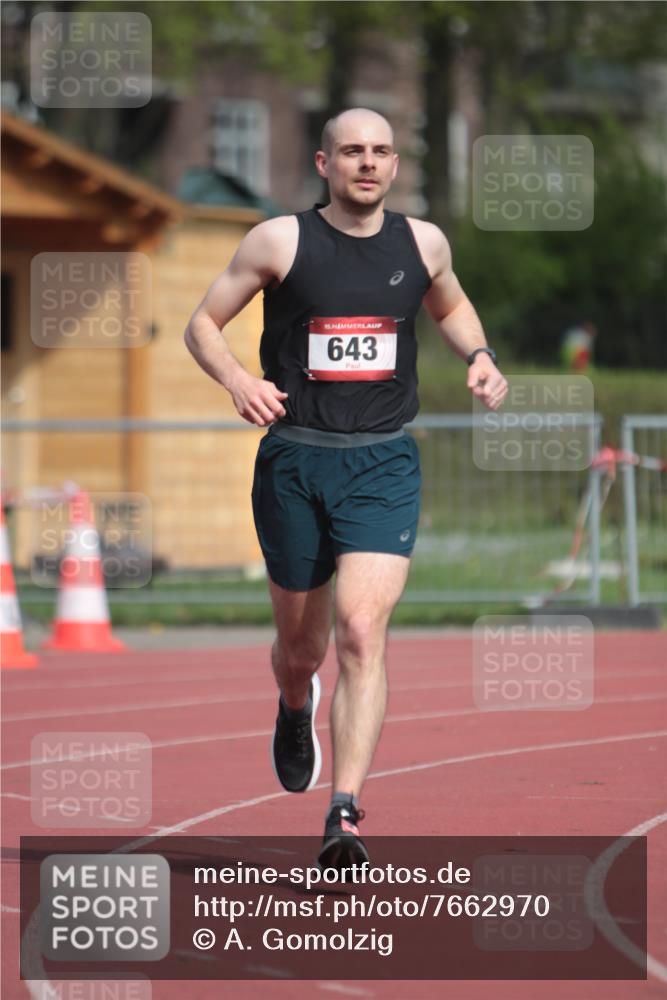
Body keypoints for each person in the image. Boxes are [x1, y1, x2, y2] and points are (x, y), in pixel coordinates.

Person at [184, 107, 508, 870]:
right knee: (303, 649)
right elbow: (202, 324)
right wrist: (238, 381)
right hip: (296, 462)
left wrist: (479, 354)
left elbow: (450, 303)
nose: (368, 163)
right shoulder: (278, 240)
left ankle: (344, 812)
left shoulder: (423, 242)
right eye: (352, 151)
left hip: (382, 462)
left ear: (394, 164)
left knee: (361, 633)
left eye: (381, 151)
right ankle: (293, 703)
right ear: (323, 163)